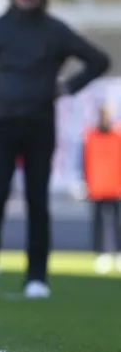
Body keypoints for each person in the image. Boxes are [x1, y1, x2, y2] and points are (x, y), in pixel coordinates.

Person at [0, 0, 109, 298]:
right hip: (1, 123)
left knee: (37, 201)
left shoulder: (55, 30)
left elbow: (99, 60)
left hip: (40, 125)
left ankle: (36, 277)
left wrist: (68, 86)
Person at [81, 104, 121, 273]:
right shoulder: (90, 136)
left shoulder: (117, 136)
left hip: (116, 187)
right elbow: (85, 161)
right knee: (98, 224)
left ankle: (118, 254)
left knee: (118, 223)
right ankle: (100, 254)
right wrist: (86, 182)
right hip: (97, 188)